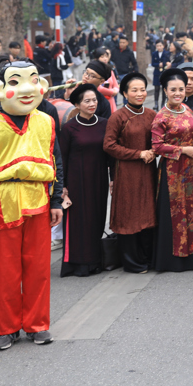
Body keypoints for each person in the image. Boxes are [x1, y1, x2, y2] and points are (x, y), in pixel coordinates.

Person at [0, 60, 63, 350]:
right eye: (15, 82)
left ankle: (37, 325)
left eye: (32, 80)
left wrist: (57, 200)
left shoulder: (46, 121)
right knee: (5, 270)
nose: (26, 88)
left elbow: (56, 162)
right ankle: (7, 328)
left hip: (39, 199)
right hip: (3, 204)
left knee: (38, 267)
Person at [103, 73, 157, 273]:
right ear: (125, 93)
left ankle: (148, 258)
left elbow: (159, 139)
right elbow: (109, 145)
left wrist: (154, 151)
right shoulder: (118, 117)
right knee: (130, 214)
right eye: (134, 90)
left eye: (142, 89)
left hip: (149, 170)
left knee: (148, 212)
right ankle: (132, 262)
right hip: (127, 172)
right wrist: (138, 153)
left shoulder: (151, 114)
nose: (140, 93)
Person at [59, 84, 112, 277]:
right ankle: (77, 263)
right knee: (78, 221)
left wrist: (113, 178)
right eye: (87, 101)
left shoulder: (105, 123)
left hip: (98, 178)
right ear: (77, 104)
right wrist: (62, 186)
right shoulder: (69, 127)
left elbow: (110, 153)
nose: (92, 104)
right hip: (75, 181)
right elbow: (62, 158)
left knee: (97, 218)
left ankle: (95, 261)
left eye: (94, 100)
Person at [151, 68, 193, 272]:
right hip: (172, 169)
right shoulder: (161, 116)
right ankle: (172, 260)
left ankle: (191, 256)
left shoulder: (188, 110)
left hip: (191, 168)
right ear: (165, 90)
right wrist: (184, 150)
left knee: (191, 208)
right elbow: (157, 146)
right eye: (173, 90)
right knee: (174, 211)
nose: (178, 93)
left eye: (181, 89)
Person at [150, 40, 169, 110]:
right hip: (157, 72)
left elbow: (168, 62)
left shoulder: (166, 53)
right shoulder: (154, 53)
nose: (159, 47)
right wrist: (158, 64)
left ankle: (163, 104)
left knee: (164, 89)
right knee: (156, 89)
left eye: (160, 45)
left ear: (163, 46)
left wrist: (163, 64)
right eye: (157, 46)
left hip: (164, 73)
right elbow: (152, 63)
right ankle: (156, 104)